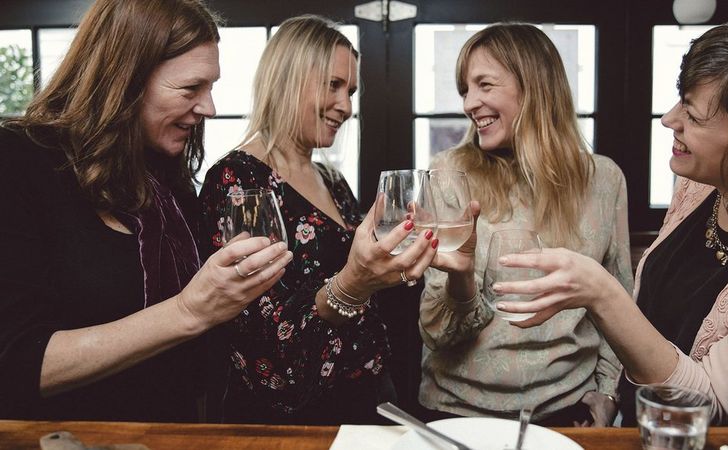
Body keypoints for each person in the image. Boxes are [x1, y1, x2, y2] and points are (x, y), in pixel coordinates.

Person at [493, 12, 728, 425]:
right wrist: (612, 399)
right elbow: (656, 320)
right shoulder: (699, 188)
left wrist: (601, 293)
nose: (669, 120)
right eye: (680, 103)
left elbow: (706, 402)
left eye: (693, 116)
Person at [0, 0, 292, 422]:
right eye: (190, 89)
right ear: (124, 80)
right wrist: (190, 311)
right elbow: (14, 363)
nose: (208, 107)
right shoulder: (19, 163)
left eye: (210, 87)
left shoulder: (163, 176)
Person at [199, 15, 438, 425]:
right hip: (290, 423)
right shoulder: (238, 179)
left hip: (368, 403)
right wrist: (353, 284)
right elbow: (258, 329)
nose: (346, 106)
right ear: (288, 77)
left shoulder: (332, 179)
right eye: (333, 86)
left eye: (351, 91)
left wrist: (407, 261)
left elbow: (368, 288)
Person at [418, 23, 633, 426]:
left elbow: (619, 299)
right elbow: (437, 332)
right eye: (465, 89)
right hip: (457, 412)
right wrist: (462, 281)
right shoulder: (449, 173)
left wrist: (607, 393)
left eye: (484, 84)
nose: (469, 103)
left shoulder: (604, 180)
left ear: (534, 87)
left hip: (567, 410)